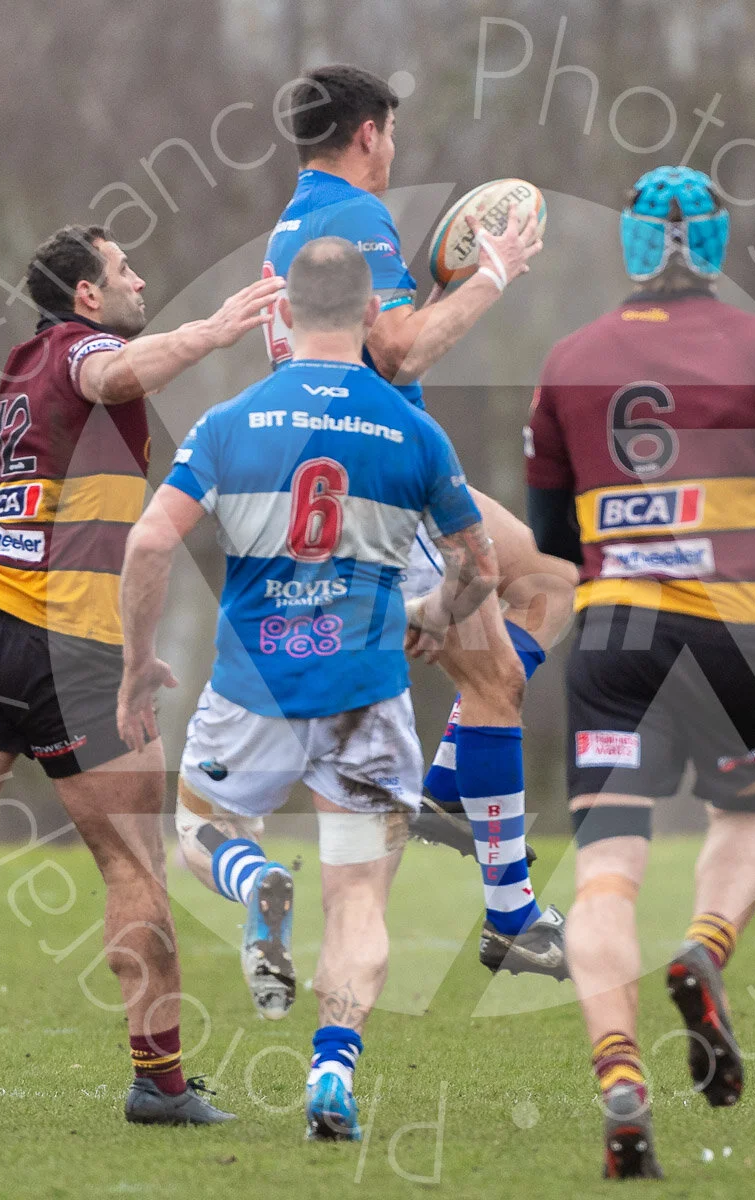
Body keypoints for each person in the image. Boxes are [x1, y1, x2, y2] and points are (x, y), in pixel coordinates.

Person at [0, 223, 282, 1127]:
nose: (142, 278)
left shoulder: (23, 367)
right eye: (123, 270)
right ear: (87, 296)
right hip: (65, 650)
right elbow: (119, 375)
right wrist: (221, 325)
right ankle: (162, 1085)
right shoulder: (86, 352)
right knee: (132, 864)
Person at [525, 167, 755, 1179]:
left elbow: (554, 532)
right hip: (734, 631)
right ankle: (706, 948)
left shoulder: (569, 359)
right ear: (716, 243)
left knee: (603, 877)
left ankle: (619, 1076)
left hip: (612, 639)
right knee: (751, 816)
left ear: (632, 244)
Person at [117, 237, 497, 1141]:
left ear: (283, 315)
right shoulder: (413, 431)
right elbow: (479, 570)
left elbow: (146, 546)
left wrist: (137, 663)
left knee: (204, 830)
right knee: (359, 897)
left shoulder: (230, 424)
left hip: (256, 684)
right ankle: (332, 1075)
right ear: (373, 316)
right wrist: (435, 611)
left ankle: (253, 883)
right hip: (368, 688)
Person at [256, 63, 578, 981]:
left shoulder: (296, 218)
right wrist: (493, 276)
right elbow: (395, 353)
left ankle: (446, 790)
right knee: (499, 681)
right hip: (375, 487)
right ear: (368, 133)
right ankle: (512, 913)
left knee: (549, 581)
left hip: (386, 472)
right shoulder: (356, 217)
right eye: (390, 133)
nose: (393, 150)